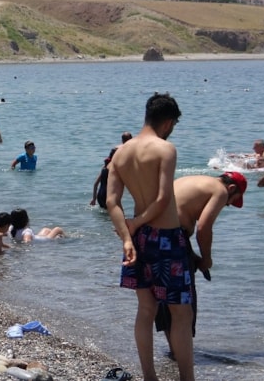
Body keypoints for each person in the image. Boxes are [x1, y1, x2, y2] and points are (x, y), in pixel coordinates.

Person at [105, 92, 193, 381]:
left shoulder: (121, 153)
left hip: (138, 240)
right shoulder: (165, 149)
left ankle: (150, 377)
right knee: (181, 315)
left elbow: (111, 202)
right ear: (168, 122)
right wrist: (140, 220)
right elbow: (164, 197)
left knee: (145, 310)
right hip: (167, 238)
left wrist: (128, 237)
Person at [155, 172, 247, 357]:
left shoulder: (193, 180)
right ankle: (182, 354)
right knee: (183, 299)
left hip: (152, 234)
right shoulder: (220, 190)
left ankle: (175, 350)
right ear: (231, 188)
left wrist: (191, 254)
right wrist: (206, 259)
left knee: (164, 294)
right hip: (173, 237)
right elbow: (204, 228)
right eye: (232, 201)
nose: (227, 204)